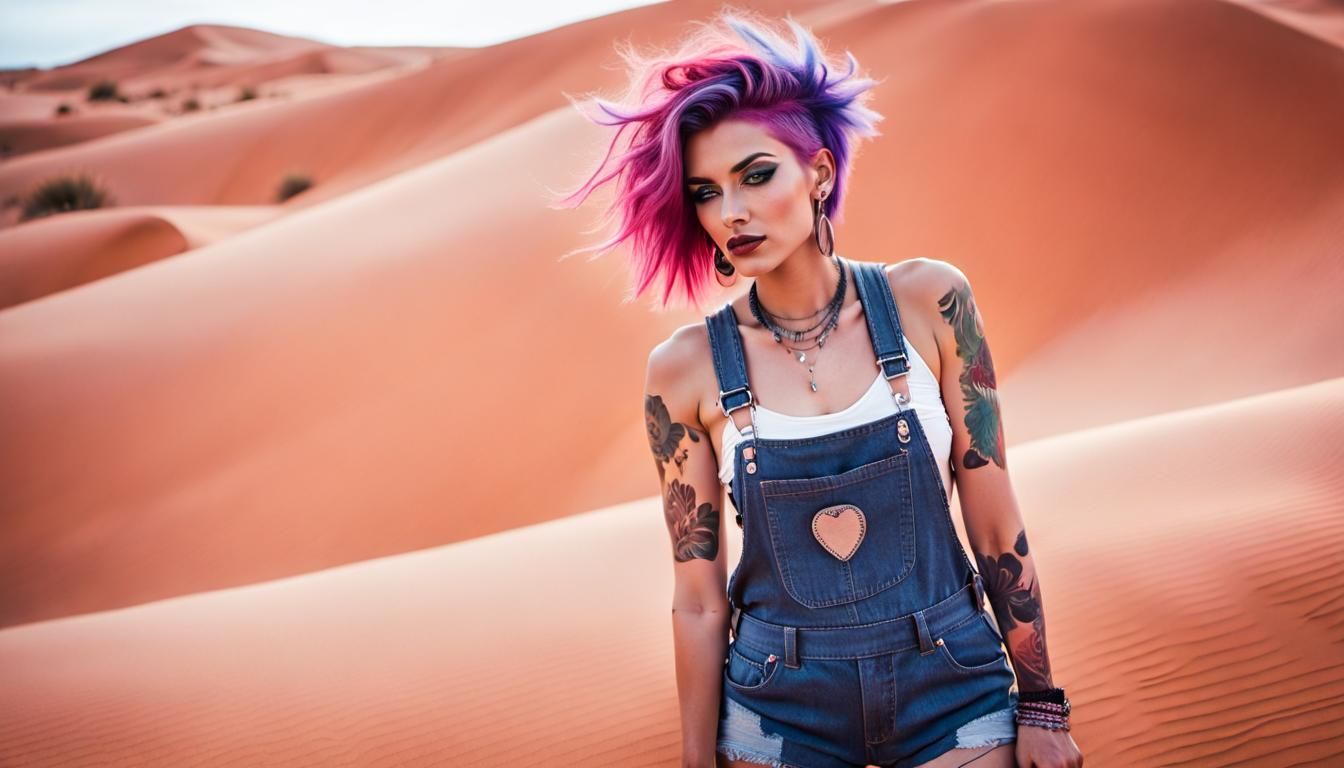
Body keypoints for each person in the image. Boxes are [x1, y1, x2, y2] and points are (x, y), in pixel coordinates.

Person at [551, 10, 1083, 768]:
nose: (730, 210)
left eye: (756, 174)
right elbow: (699, 598)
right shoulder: (683, 370)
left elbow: (997, 525)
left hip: (953, 679)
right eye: (706, 192)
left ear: (820, 172)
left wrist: (1042, 705)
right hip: (778, 701)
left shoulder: (932, 303)